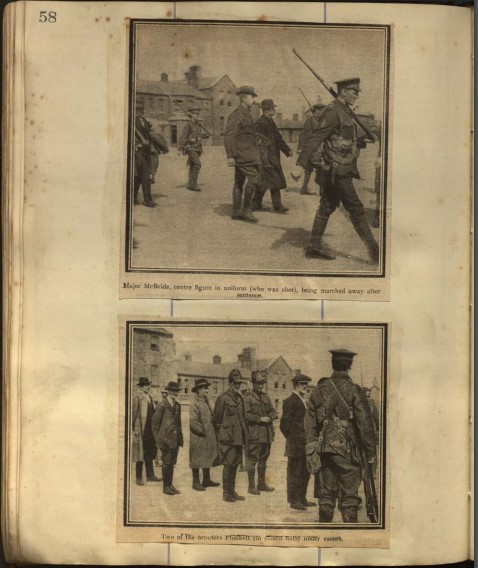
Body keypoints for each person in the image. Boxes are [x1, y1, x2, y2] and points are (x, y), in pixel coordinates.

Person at [297, 78, 379, 262]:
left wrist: (361, 141)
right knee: (356, 209)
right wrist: (300, 165)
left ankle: (313, 246)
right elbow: (315, 137)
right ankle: (374, 252)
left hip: (341, 167)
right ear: (343, 91)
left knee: (326, 207)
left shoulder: (345, 111)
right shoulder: (333, 111)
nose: (357, 96)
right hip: (337, 170)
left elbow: (343, 139)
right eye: (354, 92)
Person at [304, 349, 377, 523]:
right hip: (348, 451)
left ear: (333, 365)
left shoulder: (319, 390)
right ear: (349, 366)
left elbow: (309, 423)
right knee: (350, 498)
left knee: (326, 496)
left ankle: (325, 535)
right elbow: (365, 425)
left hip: (324, 450)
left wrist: (313, 447)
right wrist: (371, 451)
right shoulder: (354, 390)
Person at [223, 86, 262, 223]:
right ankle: (246, 210)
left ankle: (236, 211)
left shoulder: (247, 113)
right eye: (252, 97)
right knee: (255, 179)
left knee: (239, 182)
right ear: (244, 98)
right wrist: (230, 156)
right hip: (243, 155)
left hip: (246, 153)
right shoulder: (237, 114)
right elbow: (229, 136)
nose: (253, 99)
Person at [279, 374, 316, 510]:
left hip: (304, 444)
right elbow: (284, 424)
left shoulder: (303, 400)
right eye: (302, 384)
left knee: (304, 472)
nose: (305, 386)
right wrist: (293, 438)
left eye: (306, 384)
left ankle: (302, 498)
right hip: (295, 444)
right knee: (295, 473)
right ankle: (294, 501)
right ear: (295, 385)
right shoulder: (291, 401)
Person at [212, 369, 249, 502]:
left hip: (238, 438)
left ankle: (232, 491)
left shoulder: (240, 398)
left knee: (234, 464)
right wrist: (222, 436)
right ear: (230, 383)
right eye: (235, 383)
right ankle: (226, 493)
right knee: (228, 465)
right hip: (227, 438)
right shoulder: (222, 398)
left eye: (239, 383)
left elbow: (242, 418)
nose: (237, 385)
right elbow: (216, 420)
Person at [253, 99, 293, 213]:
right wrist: (264, 159)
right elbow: (259, 143)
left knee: (265, 181)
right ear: (266, 110)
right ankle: (277, 206)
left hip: (273, 157)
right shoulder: (260, 123)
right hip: (267, 158)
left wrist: (287, 150)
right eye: (272, 108)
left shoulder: (270, 121)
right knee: (274, 180)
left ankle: (255, 204)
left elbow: (278, 139)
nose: (274, 110)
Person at [243, 370, 277, 495]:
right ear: (253, 383)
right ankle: (251, 487)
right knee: (252, 460)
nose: (260, 386)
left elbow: (273, 411)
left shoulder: (266, 397)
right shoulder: (247, 398)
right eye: (258, 383)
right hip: (254, 435)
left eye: (262, 383)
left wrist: (271, 417)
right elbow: (245, 415)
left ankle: (261, 484)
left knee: (264, 460)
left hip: (266, 435)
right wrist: (259, 419)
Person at [134, 100, 169, 207]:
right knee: (144, 175)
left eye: (141, 109)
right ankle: (147, 200)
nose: (140, 111)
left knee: (140, 176)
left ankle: (135, 197)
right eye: (137, 109)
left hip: (146, 151)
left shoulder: (144, 120)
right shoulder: (131, 120)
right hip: (137, 151)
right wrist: (136, 143)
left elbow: (151, 134)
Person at [152, 381, 183, 496]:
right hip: (165, 440)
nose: (175, 393)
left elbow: (178, 424)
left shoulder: (177, 405)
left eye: (176, 391)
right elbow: (155, 424)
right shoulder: (162, 405)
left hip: (175, 440)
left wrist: (180, 438)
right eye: (173, 391)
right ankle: (166, 486)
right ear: (168, 391)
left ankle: (170, 485)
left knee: (172, 463)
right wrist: (158, 440)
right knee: (166, 462)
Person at [189, 378, 220, 491]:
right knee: (196, 459)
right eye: (204, 388)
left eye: (207, 388)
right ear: (198, 390)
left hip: (208, 435)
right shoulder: (194, 403)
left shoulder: (207, 401)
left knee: (207, 457)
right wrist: (202, 431)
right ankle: (195, 482)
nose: (207, 390)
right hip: (198, 436)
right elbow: (193, 421)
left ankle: (206, 480)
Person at [132, 377, 161, 485]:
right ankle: (138, 477)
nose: (148, 387)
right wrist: (135, 429)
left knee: (149, 452)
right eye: (145, 385)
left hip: (150, 430)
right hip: (141, 430)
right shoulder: (137, 398)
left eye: (148, 385)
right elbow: (134, 415)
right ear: (141, 387)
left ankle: (150, 475)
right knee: (140, 454)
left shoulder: (150, 397)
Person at [296, 104, 323, 195]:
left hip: (319, 148)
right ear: (314, 112)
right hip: (311, 148)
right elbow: (303, 134)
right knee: (317, 168)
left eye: (321, 111)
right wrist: (300, 148)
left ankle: (305, 189)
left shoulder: (322, 121)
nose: (320, 112)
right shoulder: (310, 121)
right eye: (318, 111)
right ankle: (320, 190)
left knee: (310, 168)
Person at [178, 107, 206, 192]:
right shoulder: (188, 125)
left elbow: (198, 136)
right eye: (196, 114)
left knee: (193, 165)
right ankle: (194, 184)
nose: (197, 116)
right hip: (191, 148)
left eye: (198, 114)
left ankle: (190, 185)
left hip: (197, 148)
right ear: (191, 115)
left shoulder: (197, 125)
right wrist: (179, 149)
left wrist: (203, 136)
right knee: (198, 165)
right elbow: (183, 137)